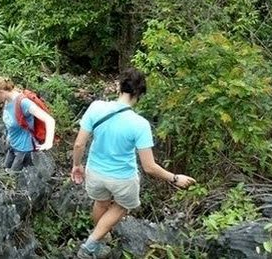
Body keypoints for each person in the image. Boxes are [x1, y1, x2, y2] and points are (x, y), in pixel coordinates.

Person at [71, 68, 196, 259]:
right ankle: (90, 244)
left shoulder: (96, 107)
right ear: (140, 93)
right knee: (121, 207)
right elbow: (149, 167)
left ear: (120, 87)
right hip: (122, 178)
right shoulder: (140, 124)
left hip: (94, 171)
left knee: (101, 202)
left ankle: (100, 240)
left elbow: (79, 143)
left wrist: (76, 165)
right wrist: (175, 178)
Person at [0, 76, 55, 171]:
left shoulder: (23, 103)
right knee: (4, 172)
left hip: (24, 150)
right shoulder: (7, 100)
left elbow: (49, 120)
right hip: (12, 146)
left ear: (1, 92)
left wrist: (48, 142)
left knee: (13, 178)